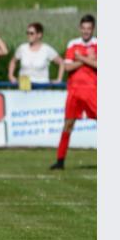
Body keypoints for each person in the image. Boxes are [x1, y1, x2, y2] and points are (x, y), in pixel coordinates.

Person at [50, 14, 97, 170]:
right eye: (83, 28)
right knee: (68, 124)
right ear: (80, 28)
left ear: (93, 29)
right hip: (74, 91)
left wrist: (80, 58)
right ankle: (60, 160)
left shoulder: (98, 44)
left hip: (93, 91)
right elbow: (68, 67)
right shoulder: (73, 44)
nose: (86, 31)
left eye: (89, 28)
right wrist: (87, 59)